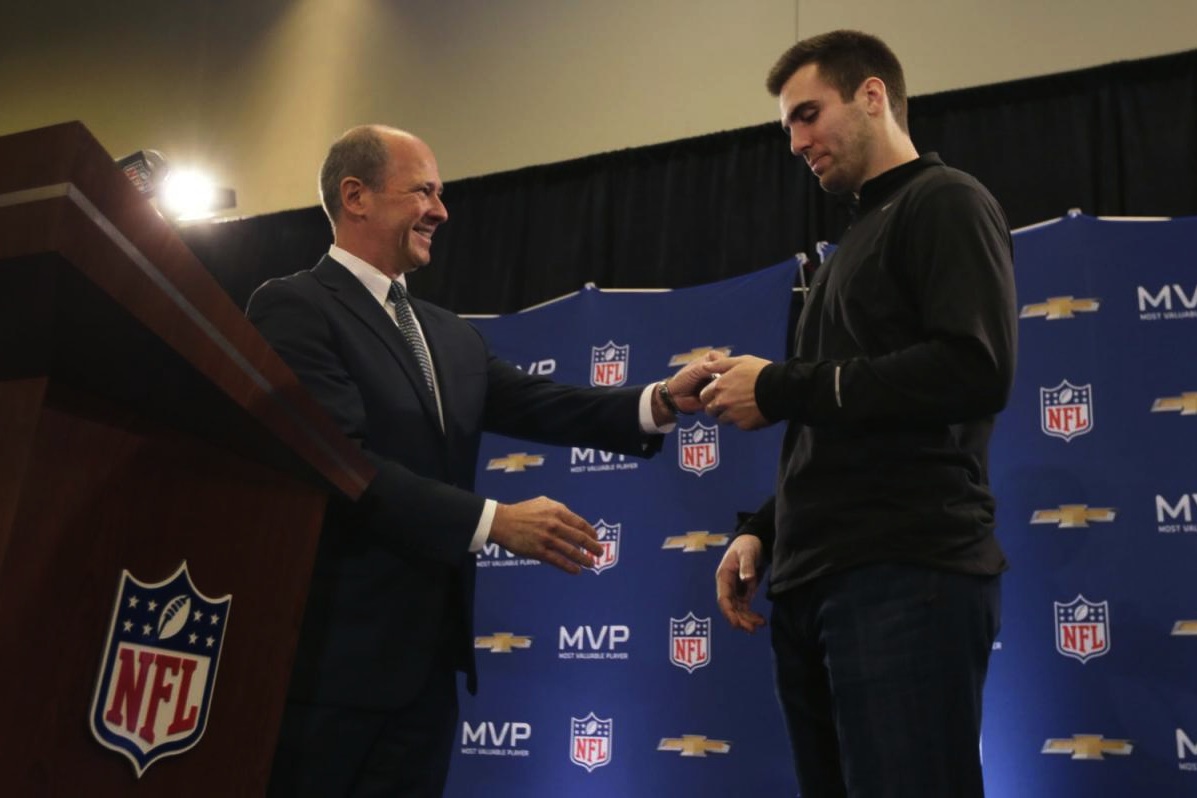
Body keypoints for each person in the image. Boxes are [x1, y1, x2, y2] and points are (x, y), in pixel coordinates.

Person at [247, 124, 710, 797]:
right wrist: (494, 521)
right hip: (331, 670)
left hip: (429, 671)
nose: (440, 210)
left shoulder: (447, 332)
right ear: (356, 196)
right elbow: (340, 462)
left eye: (441, 194)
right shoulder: (294, 307)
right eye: (422, 192)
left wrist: (660, 401)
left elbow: (542, 404)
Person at [699, 30, 1017, 798]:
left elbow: (973, 370)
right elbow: (840, 418)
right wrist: (763, 529)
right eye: (786, 127)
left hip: (905, 573)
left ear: (872, 96)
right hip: (815, 580)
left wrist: (779, 387)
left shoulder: (944, 201)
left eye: (807, 115)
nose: (795, 142)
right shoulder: (850, 244)